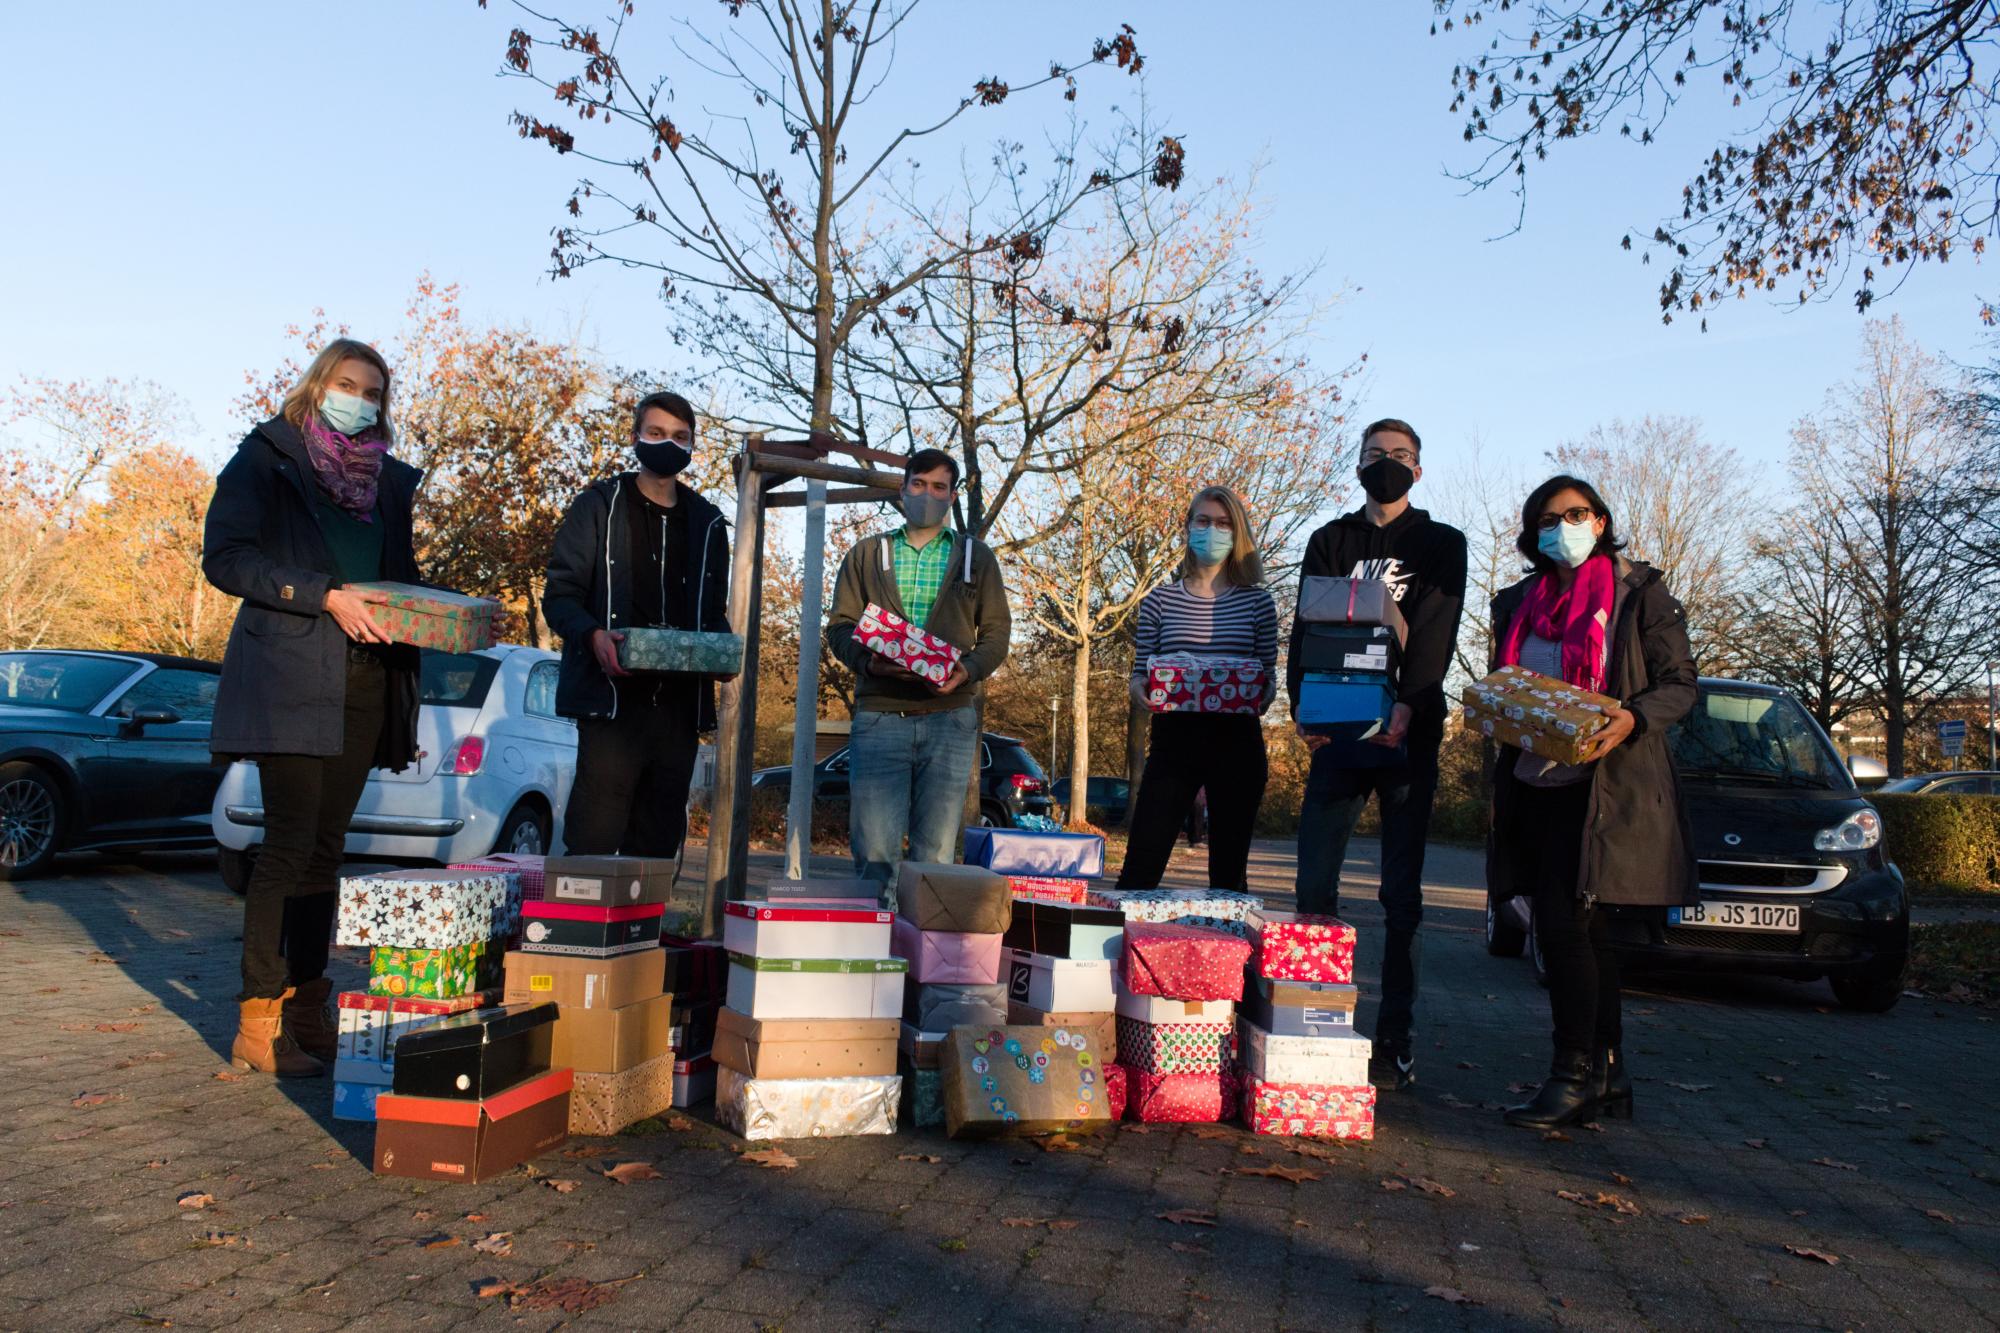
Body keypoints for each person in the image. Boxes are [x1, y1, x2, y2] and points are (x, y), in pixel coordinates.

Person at [204, 338, 423, 1077]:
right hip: (291, 675)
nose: (359, 399)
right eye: (347, 384)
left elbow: (399, 579)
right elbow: (224, 557)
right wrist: (322, 595)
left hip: (367, 682)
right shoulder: (268, 458)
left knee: (327, 849)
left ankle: (306, 1005)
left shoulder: (386, 481)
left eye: (373, 392)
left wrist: (439, 618)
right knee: (289, 845)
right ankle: (258, 1019)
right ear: (319, 382)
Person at [1491, 475, 1697, 1129]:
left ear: (1600, 521)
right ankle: (1609, 1074)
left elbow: (1679, 684)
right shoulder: (1518, 601)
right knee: (1589, 932)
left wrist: (1633, 718)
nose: (1563, 528)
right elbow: (1507, 682)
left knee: (1562, 926)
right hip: (1533, 780)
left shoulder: (1640, 594)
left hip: (1604, 787)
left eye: (1576, 514)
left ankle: (1571, 1074)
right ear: (1534, 533)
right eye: (1548, 520)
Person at [1288, 419, 1467, 1090]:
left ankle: (1394, 1040)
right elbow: (1305, 628)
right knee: (1313, 886)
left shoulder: (1441, 542)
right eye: (1374, 454)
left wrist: (1410, 704)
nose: (1385, 463)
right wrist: (1303, 705)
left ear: (1417, 469)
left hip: (1408, 736)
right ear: (1358, 464)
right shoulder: (1330, 540)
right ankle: (1309, 1022)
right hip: (1337, 734)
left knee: (1400, 896)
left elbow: (1437, 631)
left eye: (1399, 455)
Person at [544, 391, 732, 859]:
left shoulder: (709, 523)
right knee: (593, 842)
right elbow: (560, 597)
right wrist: (593, 636)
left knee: (656, 847)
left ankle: (646, 911)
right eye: (656, 433)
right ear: (635, 438)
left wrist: (724, 652)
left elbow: (712, 615)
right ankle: (584, 910)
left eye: (680, 437)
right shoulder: (597, 506)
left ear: (692, 445)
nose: (668, 444)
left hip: (679, 712)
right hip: (611, 705)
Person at [826, 448, 1011, 901]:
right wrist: (868, 662)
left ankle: (923, 945)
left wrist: (967, 670)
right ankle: (875, 942)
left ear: (952, 496)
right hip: (879, 718)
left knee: (936, 859)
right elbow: (840, 626)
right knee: (874, 855)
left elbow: (997, 634)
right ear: (902, 488)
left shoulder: (976, 558)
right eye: (919, 484)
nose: (928, 494)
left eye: (939, 487)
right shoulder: (867, 554)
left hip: (950, 720)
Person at [1118, 486, 1278, 892]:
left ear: (1237, 533)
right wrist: (1140, 689)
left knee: (1229, 879)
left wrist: (1261, 692)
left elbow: (1268, 679)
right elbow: (1140, 673)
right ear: (1188, 528)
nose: (1212, 530)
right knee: (1139, 872)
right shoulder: (1159, 601)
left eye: (1223, 524)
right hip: (1174, 742)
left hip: (1237, 743)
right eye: (1203, 521)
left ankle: (1228, 936)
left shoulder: (1258, 604)